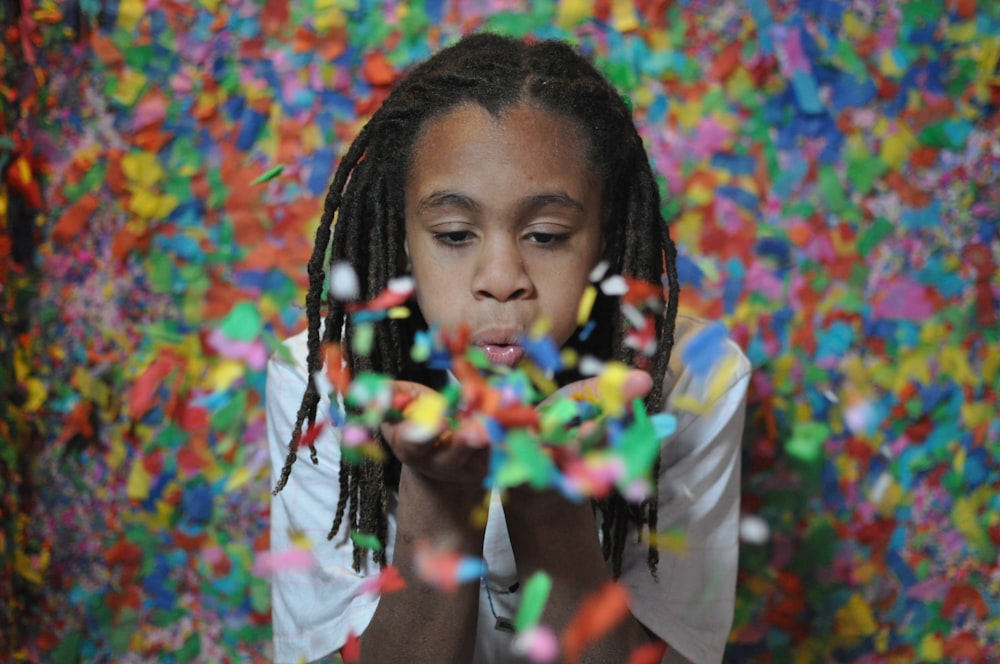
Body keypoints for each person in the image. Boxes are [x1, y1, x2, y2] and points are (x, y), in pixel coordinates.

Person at [267, 33, 751, 664]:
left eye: (547, 235)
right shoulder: (325, 380)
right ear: (406, 238)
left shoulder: (691, 379)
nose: (501, 277)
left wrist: (549, 503)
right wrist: (439, 497)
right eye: (454, 232)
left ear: (603, 240)